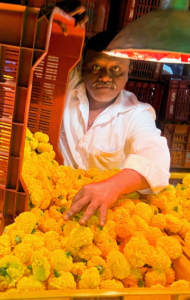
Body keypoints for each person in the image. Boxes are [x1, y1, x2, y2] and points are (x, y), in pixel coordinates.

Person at [43, 1, 171, 226]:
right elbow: (40, 55)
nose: (105, 77)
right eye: (96, 67)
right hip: (53, 202)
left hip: (102, 212)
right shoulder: (64, 86)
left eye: (116, 70)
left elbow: (156, 159)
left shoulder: (136, 113)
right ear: (82, 67)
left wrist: (112, 186)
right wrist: (50, 20)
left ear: (128, 74)